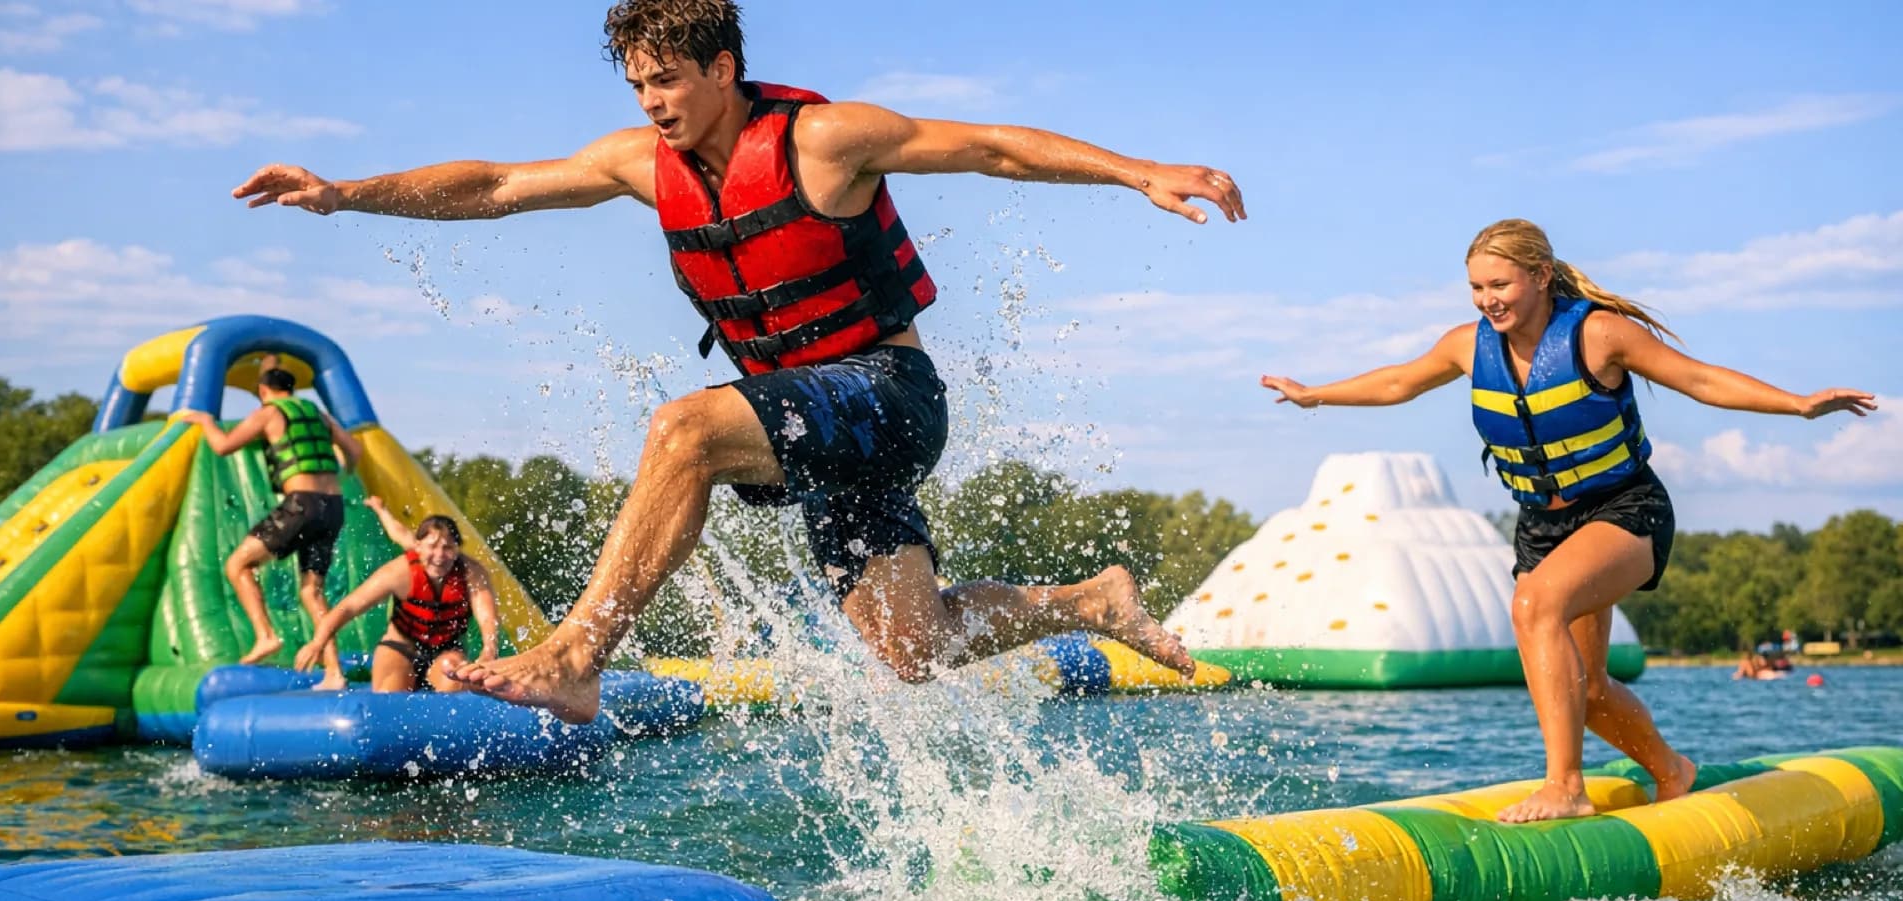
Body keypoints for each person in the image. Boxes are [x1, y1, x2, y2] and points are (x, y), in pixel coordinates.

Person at [232, 0, 1243, 722]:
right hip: (815, 427)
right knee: (913, 650)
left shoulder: (824, 140)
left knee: (685, 428)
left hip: (889, 396)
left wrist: (1138, 170)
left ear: (722, 68)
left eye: (668, 79)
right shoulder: (642, 162)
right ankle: (1090, 601)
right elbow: (493, 184)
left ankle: (580, 653)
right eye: (638, 84)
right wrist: (343, 192)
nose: (653, 103)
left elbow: (989, 148)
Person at [1258, 218, 1875, 822]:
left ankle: (1565, 785)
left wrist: (1797, 405)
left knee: (1534, 607)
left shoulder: (1600, 335)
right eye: (1476, 288)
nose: (1486, 300)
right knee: (1587, 693)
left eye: (1499, 285)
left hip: (1624, 510)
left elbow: (1700, 378)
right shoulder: (1467, 346)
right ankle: (1671, 772)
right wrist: (1316, 394)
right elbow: (1397, 383)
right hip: (1542, 526)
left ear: (1541, 275)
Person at [184, 367, 364, 688]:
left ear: (264, 391)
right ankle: (335, 673)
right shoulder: (318, 414)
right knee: (312, 591)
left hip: (302, 505)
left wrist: (205, 421)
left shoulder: (269, 413)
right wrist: (345, 473)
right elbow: (354, 451)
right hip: (332, 506)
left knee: (238, 564)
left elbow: (223, 445)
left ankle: (266, 635)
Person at [293, 504, 499, 692]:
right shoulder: (399, 572)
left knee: (454, 685)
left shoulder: (471, 573)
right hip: (400, 648)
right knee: (390, 696)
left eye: (447, 547)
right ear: (417, 546)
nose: (439, 555)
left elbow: (487, 618)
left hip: (446, 652)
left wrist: (489, 649)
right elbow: (348, 608)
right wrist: (317, 642)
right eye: (432, 546)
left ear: (457, 550)